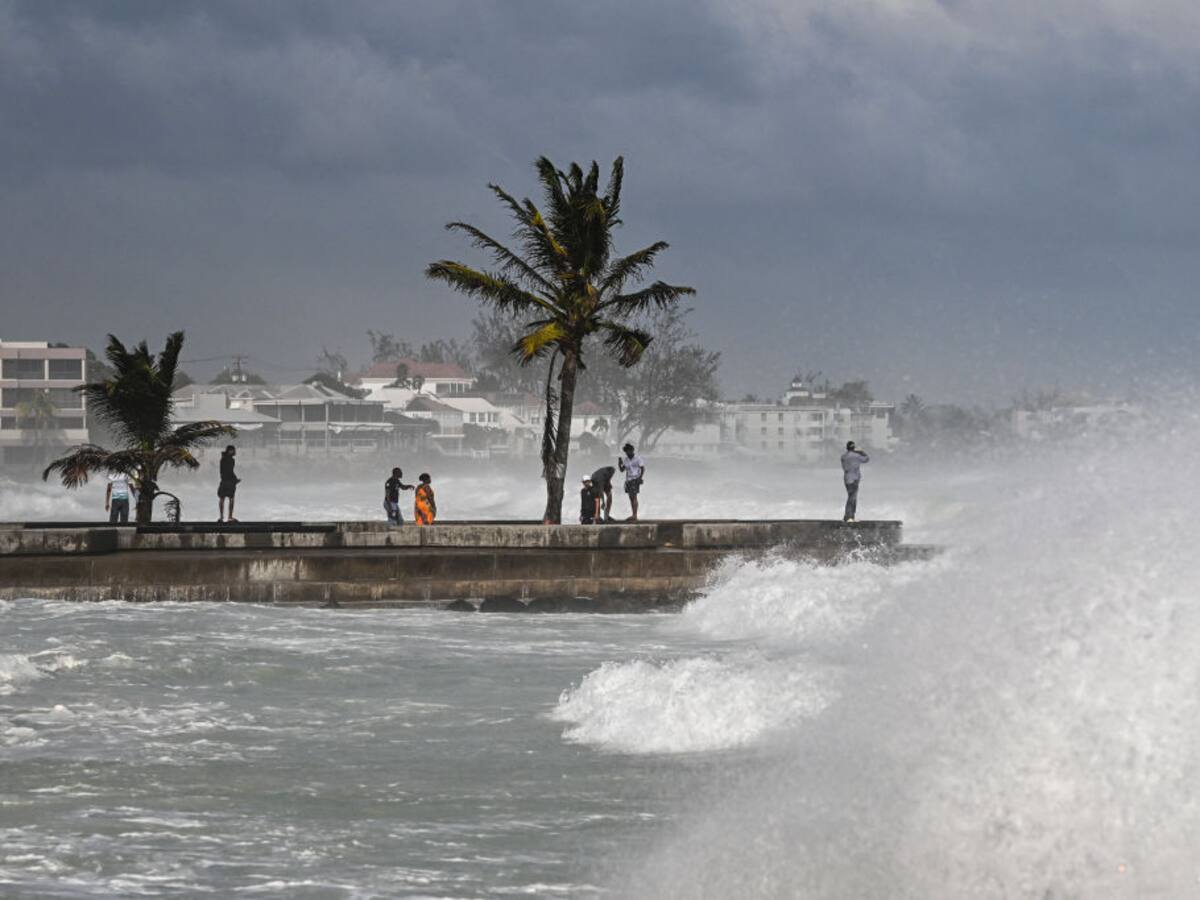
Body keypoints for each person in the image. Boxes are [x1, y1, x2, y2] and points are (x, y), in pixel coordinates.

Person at [840, 440, 870, 523]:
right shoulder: (856, 456)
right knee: (852, 498)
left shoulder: (843, 456)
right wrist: (861, 452)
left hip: (847, 479)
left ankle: (849, 516)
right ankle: (849, 516)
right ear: (853, 448)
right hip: (854, 479)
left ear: (847, 448)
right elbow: (867, 459)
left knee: (851, 497)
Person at [617, 443, 645, 522]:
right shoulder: (626, 459)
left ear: (632, 450)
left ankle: (635, 515)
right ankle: (633, 514)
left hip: (635, 478)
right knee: (631, 497)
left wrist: (640, 478)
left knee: (634, 496)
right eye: (626, 452)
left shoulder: (638, 458)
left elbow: (642, 468)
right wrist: (619, 463)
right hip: (628, 480)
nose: (627, 453)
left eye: (628, 451)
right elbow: (622, 470)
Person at [217, 445, 240, 523]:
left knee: (222, 498)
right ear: (230, 451)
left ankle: (221, 517)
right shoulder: (231, 460)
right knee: (231, 499)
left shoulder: (222, 459)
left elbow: (222, 471)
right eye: (233, 450)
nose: (234, 452)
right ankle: (230, 517)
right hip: (230, 482)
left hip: (223, 480)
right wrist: (235, 479)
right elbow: (230, 471)